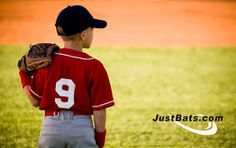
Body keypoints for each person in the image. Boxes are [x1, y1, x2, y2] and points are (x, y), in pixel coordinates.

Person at [19, 5, 115, 148]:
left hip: (51, 128)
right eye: (92, 29)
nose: (93, 33)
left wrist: (24, 74)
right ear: (83, 35)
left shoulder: (47, 62)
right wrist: (99, 141)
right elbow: (99, 110)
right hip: (81, 128)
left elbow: (34, 101)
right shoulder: (94, 66)